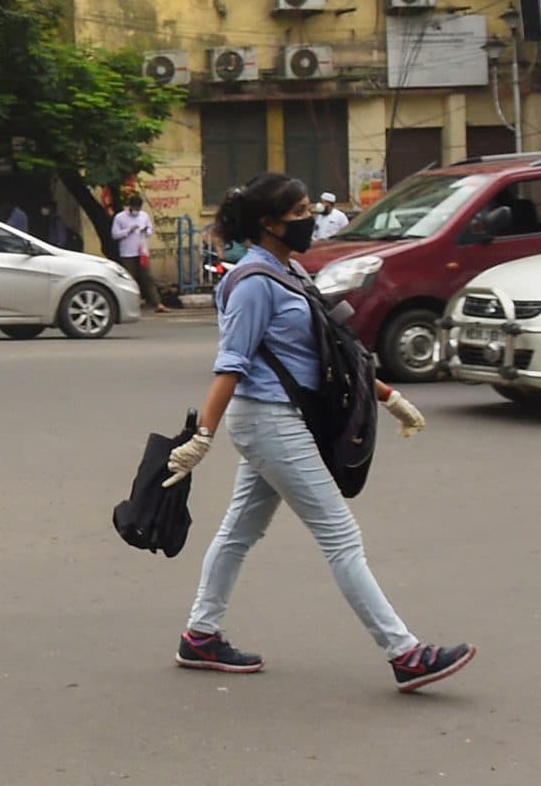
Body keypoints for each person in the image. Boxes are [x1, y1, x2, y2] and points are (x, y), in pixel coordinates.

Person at [160, 173, 474, 692]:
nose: (310, 219)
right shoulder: (254, 284)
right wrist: (203, 437)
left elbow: (334, 355)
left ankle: (200, 635)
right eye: (300, 211)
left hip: (282, 417)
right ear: (269, 223)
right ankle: (405, 653)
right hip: (268, 419)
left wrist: (392, 398)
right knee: (340, 535)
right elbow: (231, 365)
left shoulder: (289, 272)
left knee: (240, 530)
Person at [111, 194, 173, 314]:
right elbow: (115, 234)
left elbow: (150, 229)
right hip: (127, 253)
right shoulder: (120, 217)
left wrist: (146, 231)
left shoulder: (144, 216)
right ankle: (133, 304)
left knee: (147, 278)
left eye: (138, 209)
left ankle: (157, 303)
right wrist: (128, 230)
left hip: (142, 251)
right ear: (130, 207)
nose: (137, 211)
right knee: (130, 279)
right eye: (135, 209)